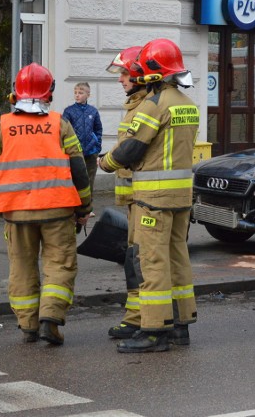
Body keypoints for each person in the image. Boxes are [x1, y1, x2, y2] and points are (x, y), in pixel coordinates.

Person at [0, 63, 93, 346]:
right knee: (59, 264)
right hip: (59, 209)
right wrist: (84, 207)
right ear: (49, 93)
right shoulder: (59, 123)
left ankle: (28, 325)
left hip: (17, 212)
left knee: (21, 266)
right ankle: (49, 320)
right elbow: (79, 170)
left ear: (15, 93)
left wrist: (10, 184)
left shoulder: (2, 125)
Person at [99, 38, 199, 353]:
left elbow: (132, 148)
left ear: (153, 73)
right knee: (177, 258)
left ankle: (155, 330)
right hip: (181, 197)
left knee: (151, 261)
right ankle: (180, 325)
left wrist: (106, 162)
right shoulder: (187, 104)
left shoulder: (154, 105)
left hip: (153, 200)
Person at [103, 45, 150, 340]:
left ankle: (145, 320)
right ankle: (135, 317)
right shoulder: (136, 104)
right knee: (134, 257)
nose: (120, 79)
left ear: (138, 76)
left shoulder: (146, 107)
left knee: (141, 259)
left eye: (124, 73)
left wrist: (105, 162)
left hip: (146, 199)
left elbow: (129, 151)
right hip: (136, 198)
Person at [62, 82, 103, 199]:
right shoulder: (69, 111)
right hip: (76, 152)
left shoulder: (93, 111)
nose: (77, 95)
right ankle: (76, 206)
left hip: (91, 151)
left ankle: (88, 207)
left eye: (80, 93)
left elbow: (98, 129)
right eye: (75, 93)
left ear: (88, 95)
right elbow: (64, 131)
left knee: (90, 179)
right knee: (76, 178)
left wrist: (97, 144)